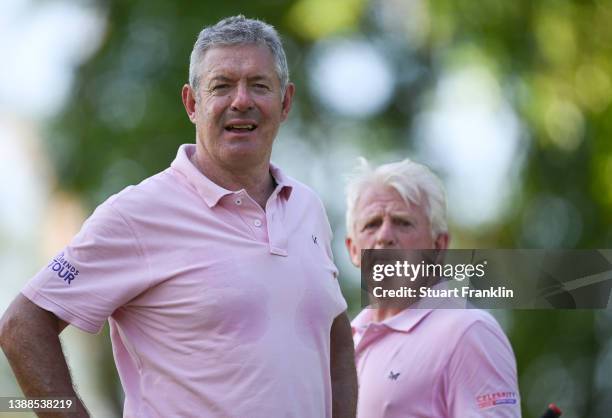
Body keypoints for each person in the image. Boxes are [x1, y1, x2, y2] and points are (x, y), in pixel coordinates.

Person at [0, 15, 357, 418]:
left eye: (259, 85)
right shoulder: (136, 214)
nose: (241, 100)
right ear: (192, 103)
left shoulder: (307, 208)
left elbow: (334, 332)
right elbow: (21, 326)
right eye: (222, 86)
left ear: (285, 102)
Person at [344, 158, 521, 417]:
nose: (384, 236)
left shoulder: (469, 332)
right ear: (353, 250)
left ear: (438, 246)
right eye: (372, 224)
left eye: (403, 222)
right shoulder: (340, 343)